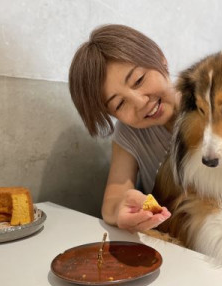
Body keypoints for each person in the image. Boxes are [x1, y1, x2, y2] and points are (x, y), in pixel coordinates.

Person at [69, 24, 180, 233]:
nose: (140, 102)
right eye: (119, 104)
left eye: (138, 80)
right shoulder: (129, 132)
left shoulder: (208, 104)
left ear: (161, 59)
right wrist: (123, 206)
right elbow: (112, 202)